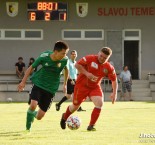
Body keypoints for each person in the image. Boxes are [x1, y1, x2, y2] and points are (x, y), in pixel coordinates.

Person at [60, 47, 118, 131]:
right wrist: (87, 73)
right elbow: (77, 65)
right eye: (101, 56)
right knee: (75, 107)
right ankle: (64, 117)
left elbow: (114, 80)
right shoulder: (90, 58)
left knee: (99, 103)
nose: (102, 58)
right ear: (98, 53)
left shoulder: (108, 67)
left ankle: (91, 126)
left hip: (95, 87)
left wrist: (114, 93)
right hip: (81, 86)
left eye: (105, 58)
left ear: (108, 58)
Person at [18, 41, 69, 131]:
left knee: (39, 117)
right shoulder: (44, 56)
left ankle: (32, 114)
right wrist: (23, 82)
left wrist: (65, 84)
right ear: (56, 52)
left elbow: (66, 70)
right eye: (63, 53)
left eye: (66, 53)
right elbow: (31, 68)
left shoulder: (65, 60)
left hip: (51, 89)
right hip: (39, 84)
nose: (65, 55)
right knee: (33, 105)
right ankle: (28, 127)